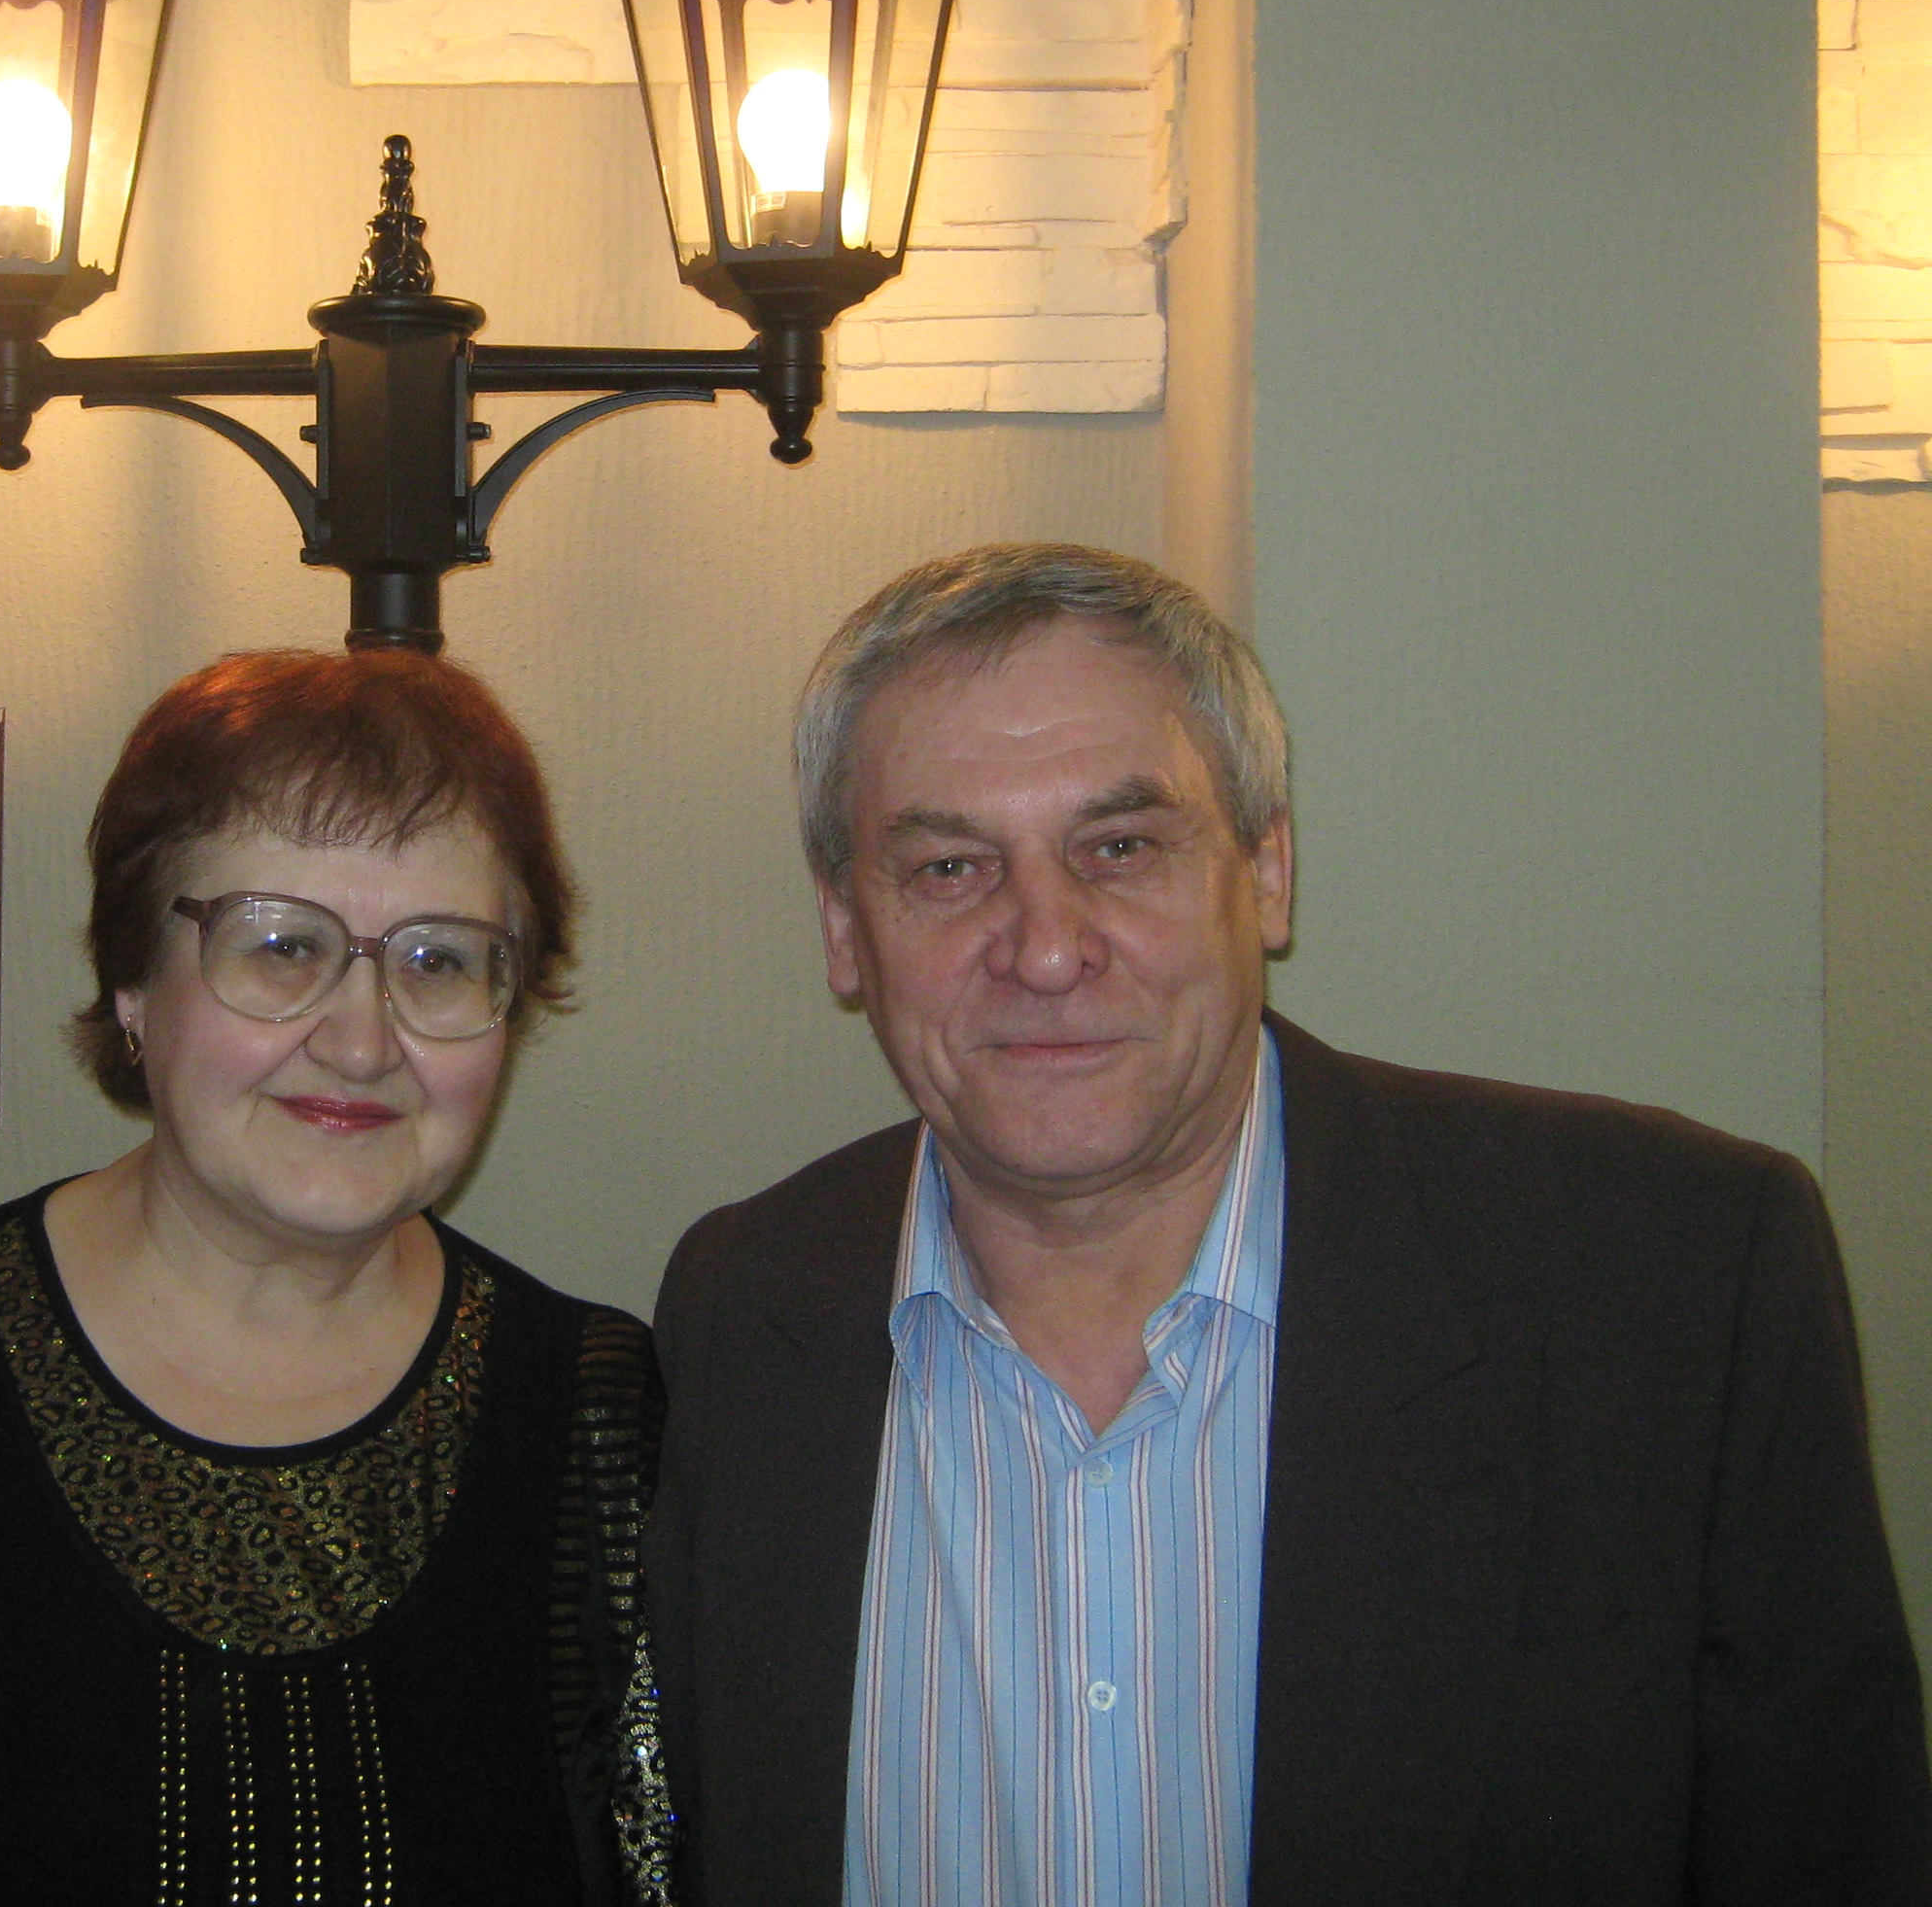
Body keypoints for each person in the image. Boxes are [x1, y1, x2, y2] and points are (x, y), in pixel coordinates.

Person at [648, 541, 1931, 1906]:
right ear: (845, 930)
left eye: (1121, 848)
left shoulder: (1672, 1285)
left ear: (1266, 871)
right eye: (951, 868)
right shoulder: (738, 1315)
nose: (1046, 946)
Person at [0, 647, 669, 1906]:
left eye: (439, 961)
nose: (363, 1039)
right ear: (134, 982)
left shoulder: (593, 1407)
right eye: (281, 945)